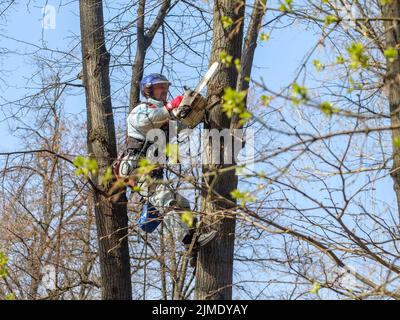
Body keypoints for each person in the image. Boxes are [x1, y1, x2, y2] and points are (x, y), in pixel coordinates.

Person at [125, 73, 216, 267]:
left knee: (182, 204)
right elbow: (147, 121)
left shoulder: (166, 119)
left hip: (154, 172)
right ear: (148, 90)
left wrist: (193, 112)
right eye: (160, 87)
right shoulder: (142, 110)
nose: (164, 90)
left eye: (165, 87)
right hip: (136, 169)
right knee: (167, 202)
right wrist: (171, 107)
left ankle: (193, 247)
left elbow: (181, 127)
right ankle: (189, 243)